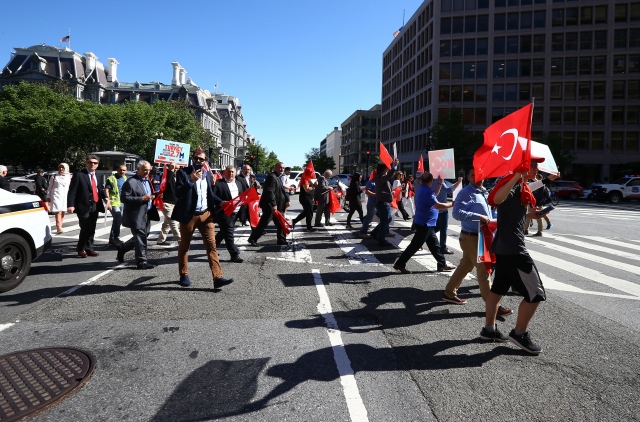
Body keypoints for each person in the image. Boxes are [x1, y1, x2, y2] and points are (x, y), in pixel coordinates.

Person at [479, 156, 558, 354]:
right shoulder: (513, 183)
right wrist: (516, 176)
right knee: (536, 294)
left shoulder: (521, 185)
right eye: (534, 165)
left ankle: (489, 330)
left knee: (497, 290)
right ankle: (519, 333)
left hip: (505, 247)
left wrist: (532, 214)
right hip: (513, 249)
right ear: (522, 166)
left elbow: (513, 209)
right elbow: (497, 200)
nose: (537, 168)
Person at [443, 166, 513, 316]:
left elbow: (489, 213)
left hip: (481, 236)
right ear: (468, 177)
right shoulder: (465, 192)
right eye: (473, 175)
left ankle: (449, 293)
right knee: (484, 270)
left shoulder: (483, 192)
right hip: (471, 238)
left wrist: (499, 218)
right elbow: (456, 213)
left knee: (465, 266)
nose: (477, 178)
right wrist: (478, 217)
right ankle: (494, 306)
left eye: (480, 174)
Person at [172, 150, 233, 288]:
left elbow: (208, 194)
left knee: (212, 246)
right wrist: (191, 181)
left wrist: (220, 202)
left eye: (201, 159)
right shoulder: (183, 173)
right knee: (185, 246)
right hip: (189, 216)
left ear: (205, 161)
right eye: (196, 158)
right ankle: (183, 274)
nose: (198, 161)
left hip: (206, 215)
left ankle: (218, 278)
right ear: (192, 159)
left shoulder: (207, 174)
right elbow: (178, 193)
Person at [393, 172, 456, 273]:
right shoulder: (426, 191)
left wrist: (439, 184)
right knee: (415, 246)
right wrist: (451, 204)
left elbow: (434, 195)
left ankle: (442, 264)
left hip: (426, 223)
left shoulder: (423, 189)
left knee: (435, 246)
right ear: (431, 181)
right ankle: (400, 263)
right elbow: (437, 205)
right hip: (425, 224)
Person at [67, 154, 110, 258]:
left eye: (95, 163)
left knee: (92, 228)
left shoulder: (99, 175)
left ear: (97, 165)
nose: (92, 164)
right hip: (83, 205)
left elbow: (100, 188)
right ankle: (81, 248)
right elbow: (72, 191)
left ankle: (89, 248)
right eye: (90, 162)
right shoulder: (79, 175)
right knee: (86, 228)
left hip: (95, 204)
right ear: (86, 163)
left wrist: (105, 197)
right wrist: (71, 205)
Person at [116, 161, 156, 269]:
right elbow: (124, 198)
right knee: (141, 237)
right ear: (138, 169)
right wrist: (141, 199)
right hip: (136, 215)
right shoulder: (131, 182)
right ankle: (142, 262)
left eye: (149, 170)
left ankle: (123, 248)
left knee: (144, 235)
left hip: (146, 213)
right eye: (145, 170)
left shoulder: (148, 180)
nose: (147, 172)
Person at [248, 162, 289, 246]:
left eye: (283, 168)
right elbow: (270, 191)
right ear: (275, 168)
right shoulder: (272, 177)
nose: (282, 169)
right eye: (280, 167)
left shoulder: (277, 177)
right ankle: (253, 239)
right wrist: (273, 204)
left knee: (281, 223)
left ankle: (281, 240)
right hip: (271, 206)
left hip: (277, 206)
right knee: (264, 223)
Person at [213, 165, 246, 263]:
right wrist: (221, 202)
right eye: (229, 171)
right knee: (229, 234)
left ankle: (211, 247)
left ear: (235, 173)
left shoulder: (238, 183)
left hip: (236, 213)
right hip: (224, 213)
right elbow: (212, 196)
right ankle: (234, 254)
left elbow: (241, 196)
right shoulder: (219, 183)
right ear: (224, 173)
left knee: (223, 232)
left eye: (232, 172)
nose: (231, 173)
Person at [370, 159, 399, 246]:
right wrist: (394, 166)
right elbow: (389, 175)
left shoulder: (380, 177)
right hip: (382, 202)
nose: (387, 170)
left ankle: (375, 233)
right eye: (386, 169)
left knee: (387, 219)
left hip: (384, 201)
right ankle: (381, 239)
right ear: (383, 170)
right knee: (385, 220)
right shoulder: (380, 177)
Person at [434, 176, 463, 255]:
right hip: (442, 210)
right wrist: (459, 182)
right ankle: (443, 248)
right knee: (443, 230)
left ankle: (425, 237)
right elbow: (449, 190)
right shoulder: (440, 182)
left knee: (436, 228)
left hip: (435, 210)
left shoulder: (432, 182)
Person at [156, 163, 182, 245]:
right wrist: (170, 169)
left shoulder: (177, 177)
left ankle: (160, 240)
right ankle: (181, 242)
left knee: (167, 223)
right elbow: (167, 182)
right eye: (175, 168)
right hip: (166, 203)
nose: (176, 170)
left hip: (175, 203)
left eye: (177, 168)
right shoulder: (166, 176)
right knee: (173, 222)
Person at [105, 165, 128, 246]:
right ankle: (116, 238)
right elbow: (106, 190)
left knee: (117, 220)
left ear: (126, 171)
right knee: (118, 218)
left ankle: (112, 238)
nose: (122, 171)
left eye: (124, 170)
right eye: (120, 170)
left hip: (122, 203)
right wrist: (108, 202)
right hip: (113, 203)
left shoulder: (125, 178)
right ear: (117, 170)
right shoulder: (111, 178)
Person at [46, 163, 72, 234]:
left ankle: (60, 225)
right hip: (56, 195)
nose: (61, 169)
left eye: (62, 167)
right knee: (58, 211)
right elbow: (50, 187)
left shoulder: (69, 176)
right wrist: (48, 196)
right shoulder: (54, 176)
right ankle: (58, 227)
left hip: (65, 196)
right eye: (60, 167)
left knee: (63, 211)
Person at [357, 170, 377, 239]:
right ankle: (362, 232)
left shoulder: (378, 182)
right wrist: (377, 195)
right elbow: (367, 192)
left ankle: (384, 231)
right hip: (372, 203)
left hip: (377, 203)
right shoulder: (371, 182)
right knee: (369, 218)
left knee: (385, 218)